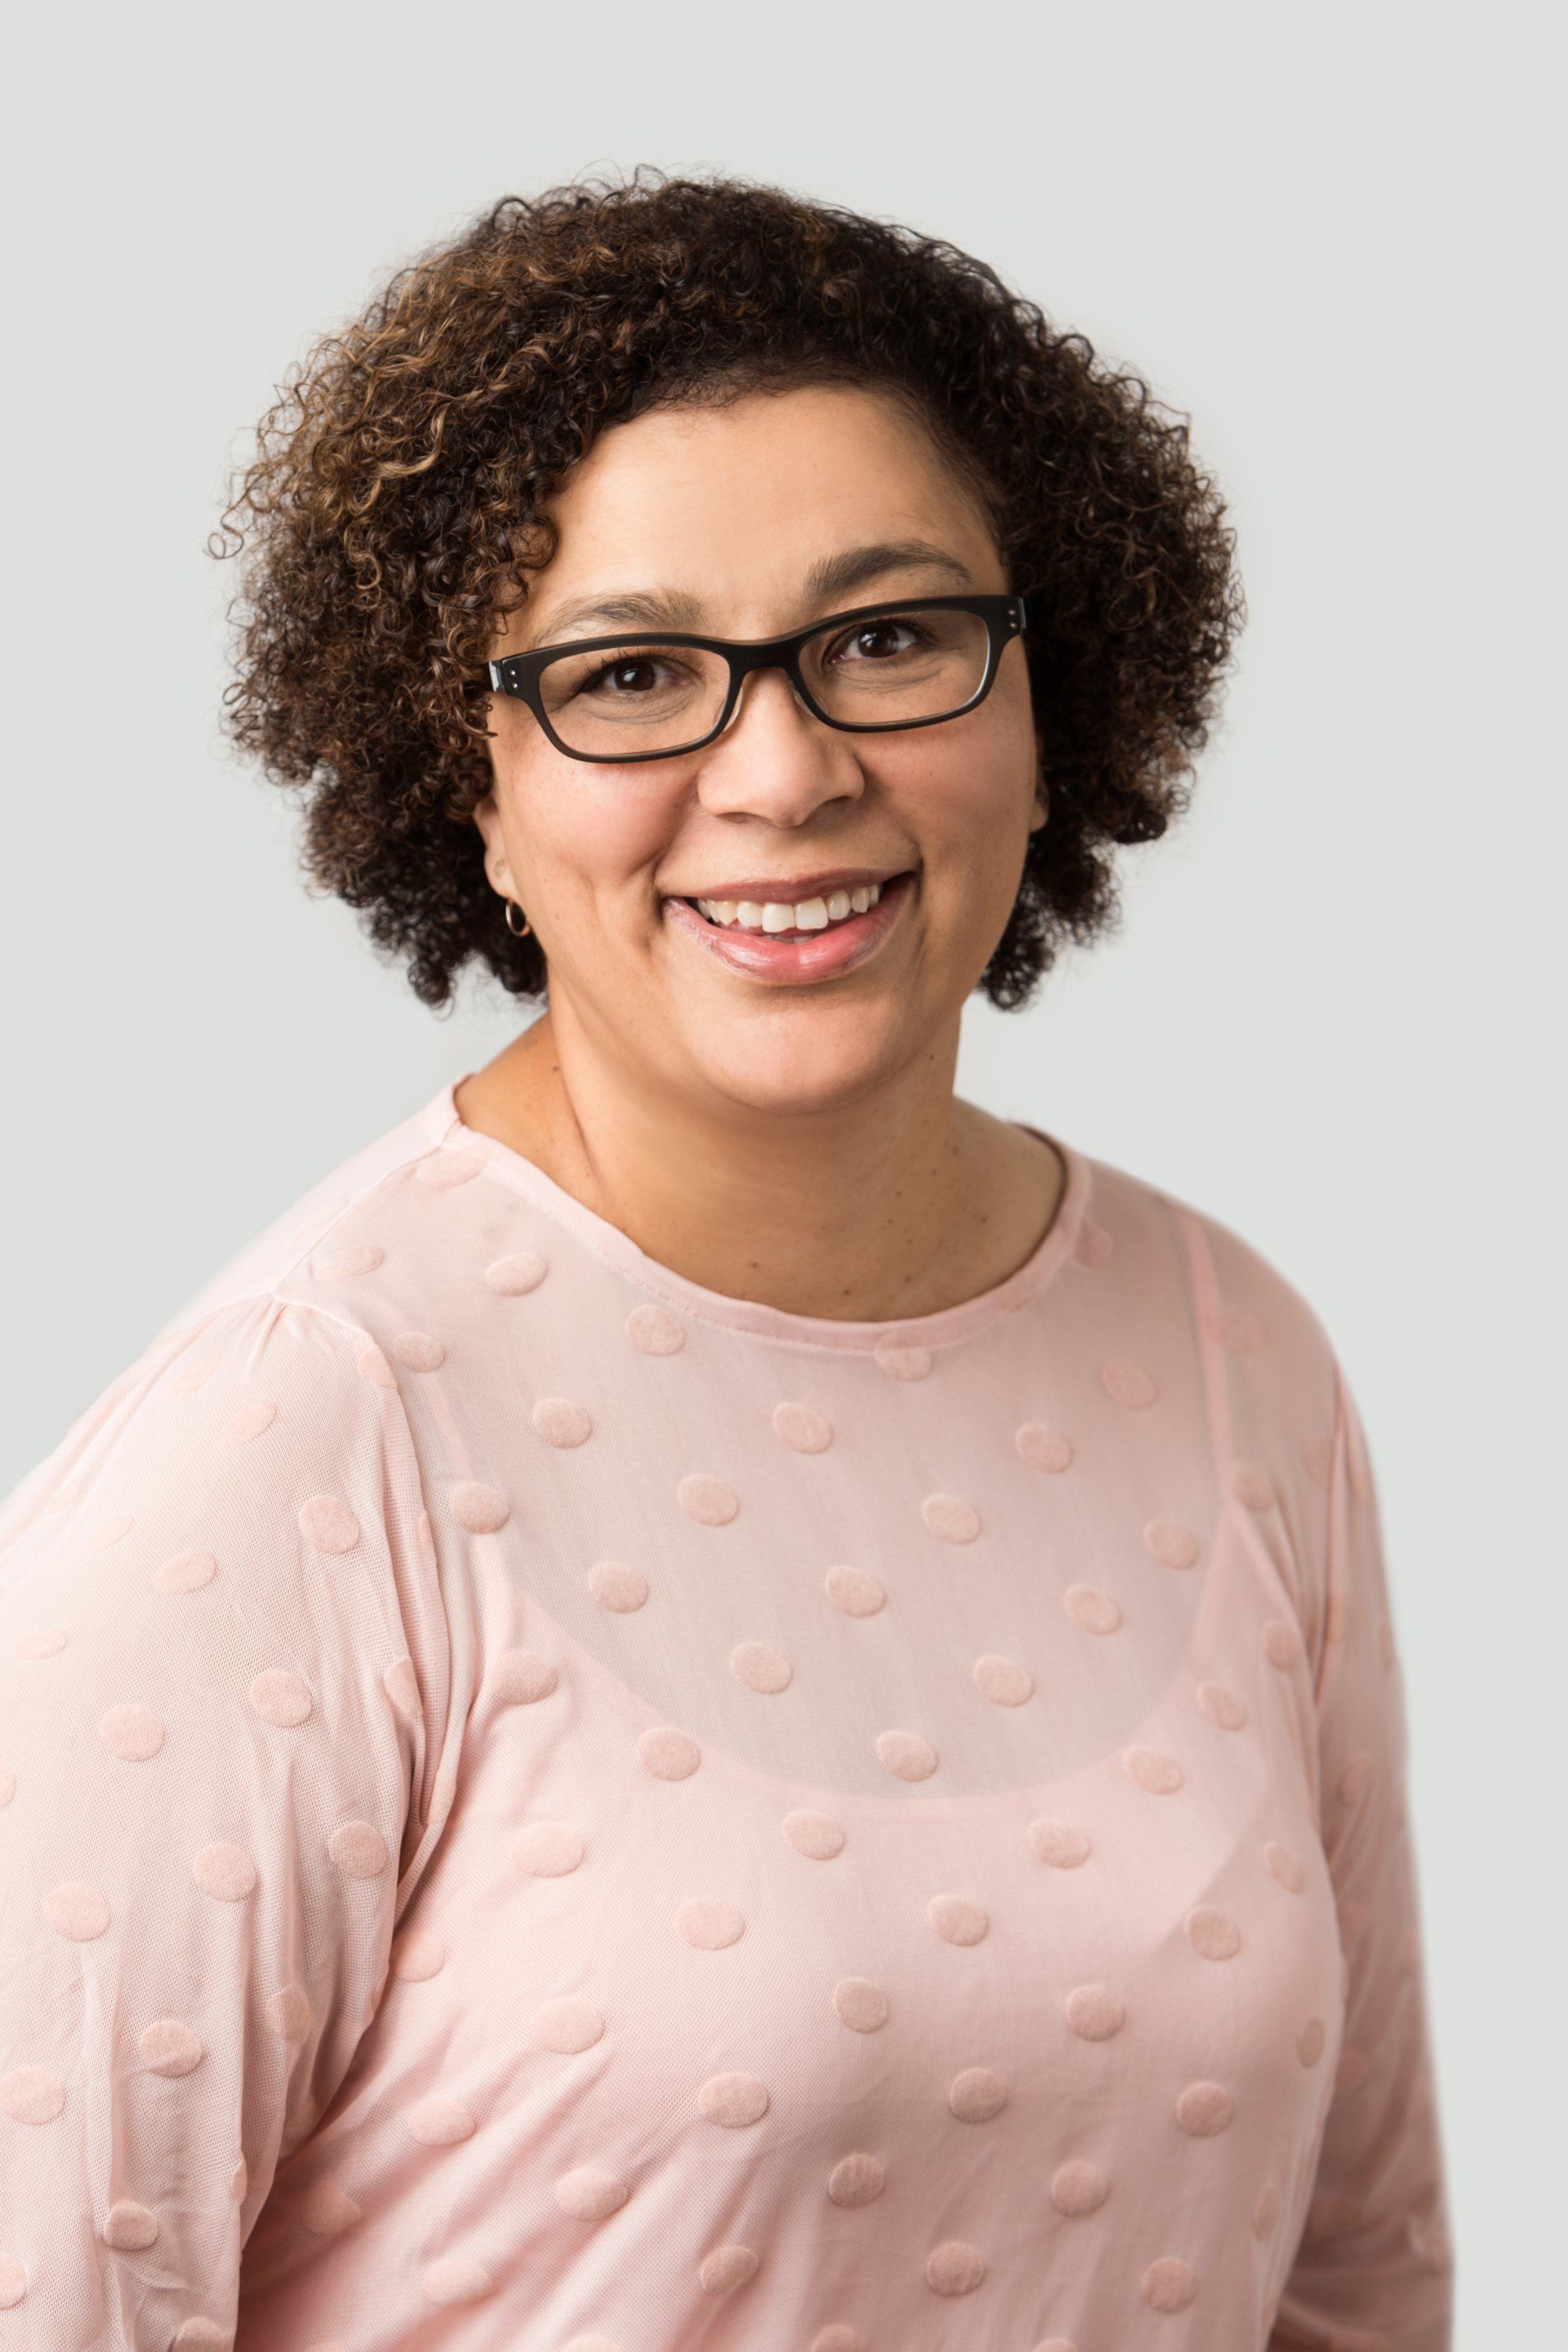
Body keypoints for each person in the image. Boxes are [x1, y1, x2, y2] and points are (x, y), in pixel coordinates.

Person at [0, 172, 1452, 2351]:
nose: (780, 770)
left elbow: (1357, 2281)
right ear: (466, 778)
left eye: (887, 637)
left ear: (1047, 701)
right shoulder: (296, 1440)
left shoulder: (1237, 1355)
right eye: (634, 674)